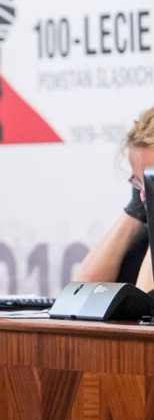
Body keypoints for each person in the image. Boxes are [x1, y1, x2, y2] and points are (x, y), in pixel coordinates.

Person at [76, 106, 154, 291]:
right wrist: (135, 210)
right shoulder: (142, 230)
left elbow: (148, 299)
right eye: (138, 181)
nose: (143, 193)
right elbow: (83, 290)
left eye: (150, 180)